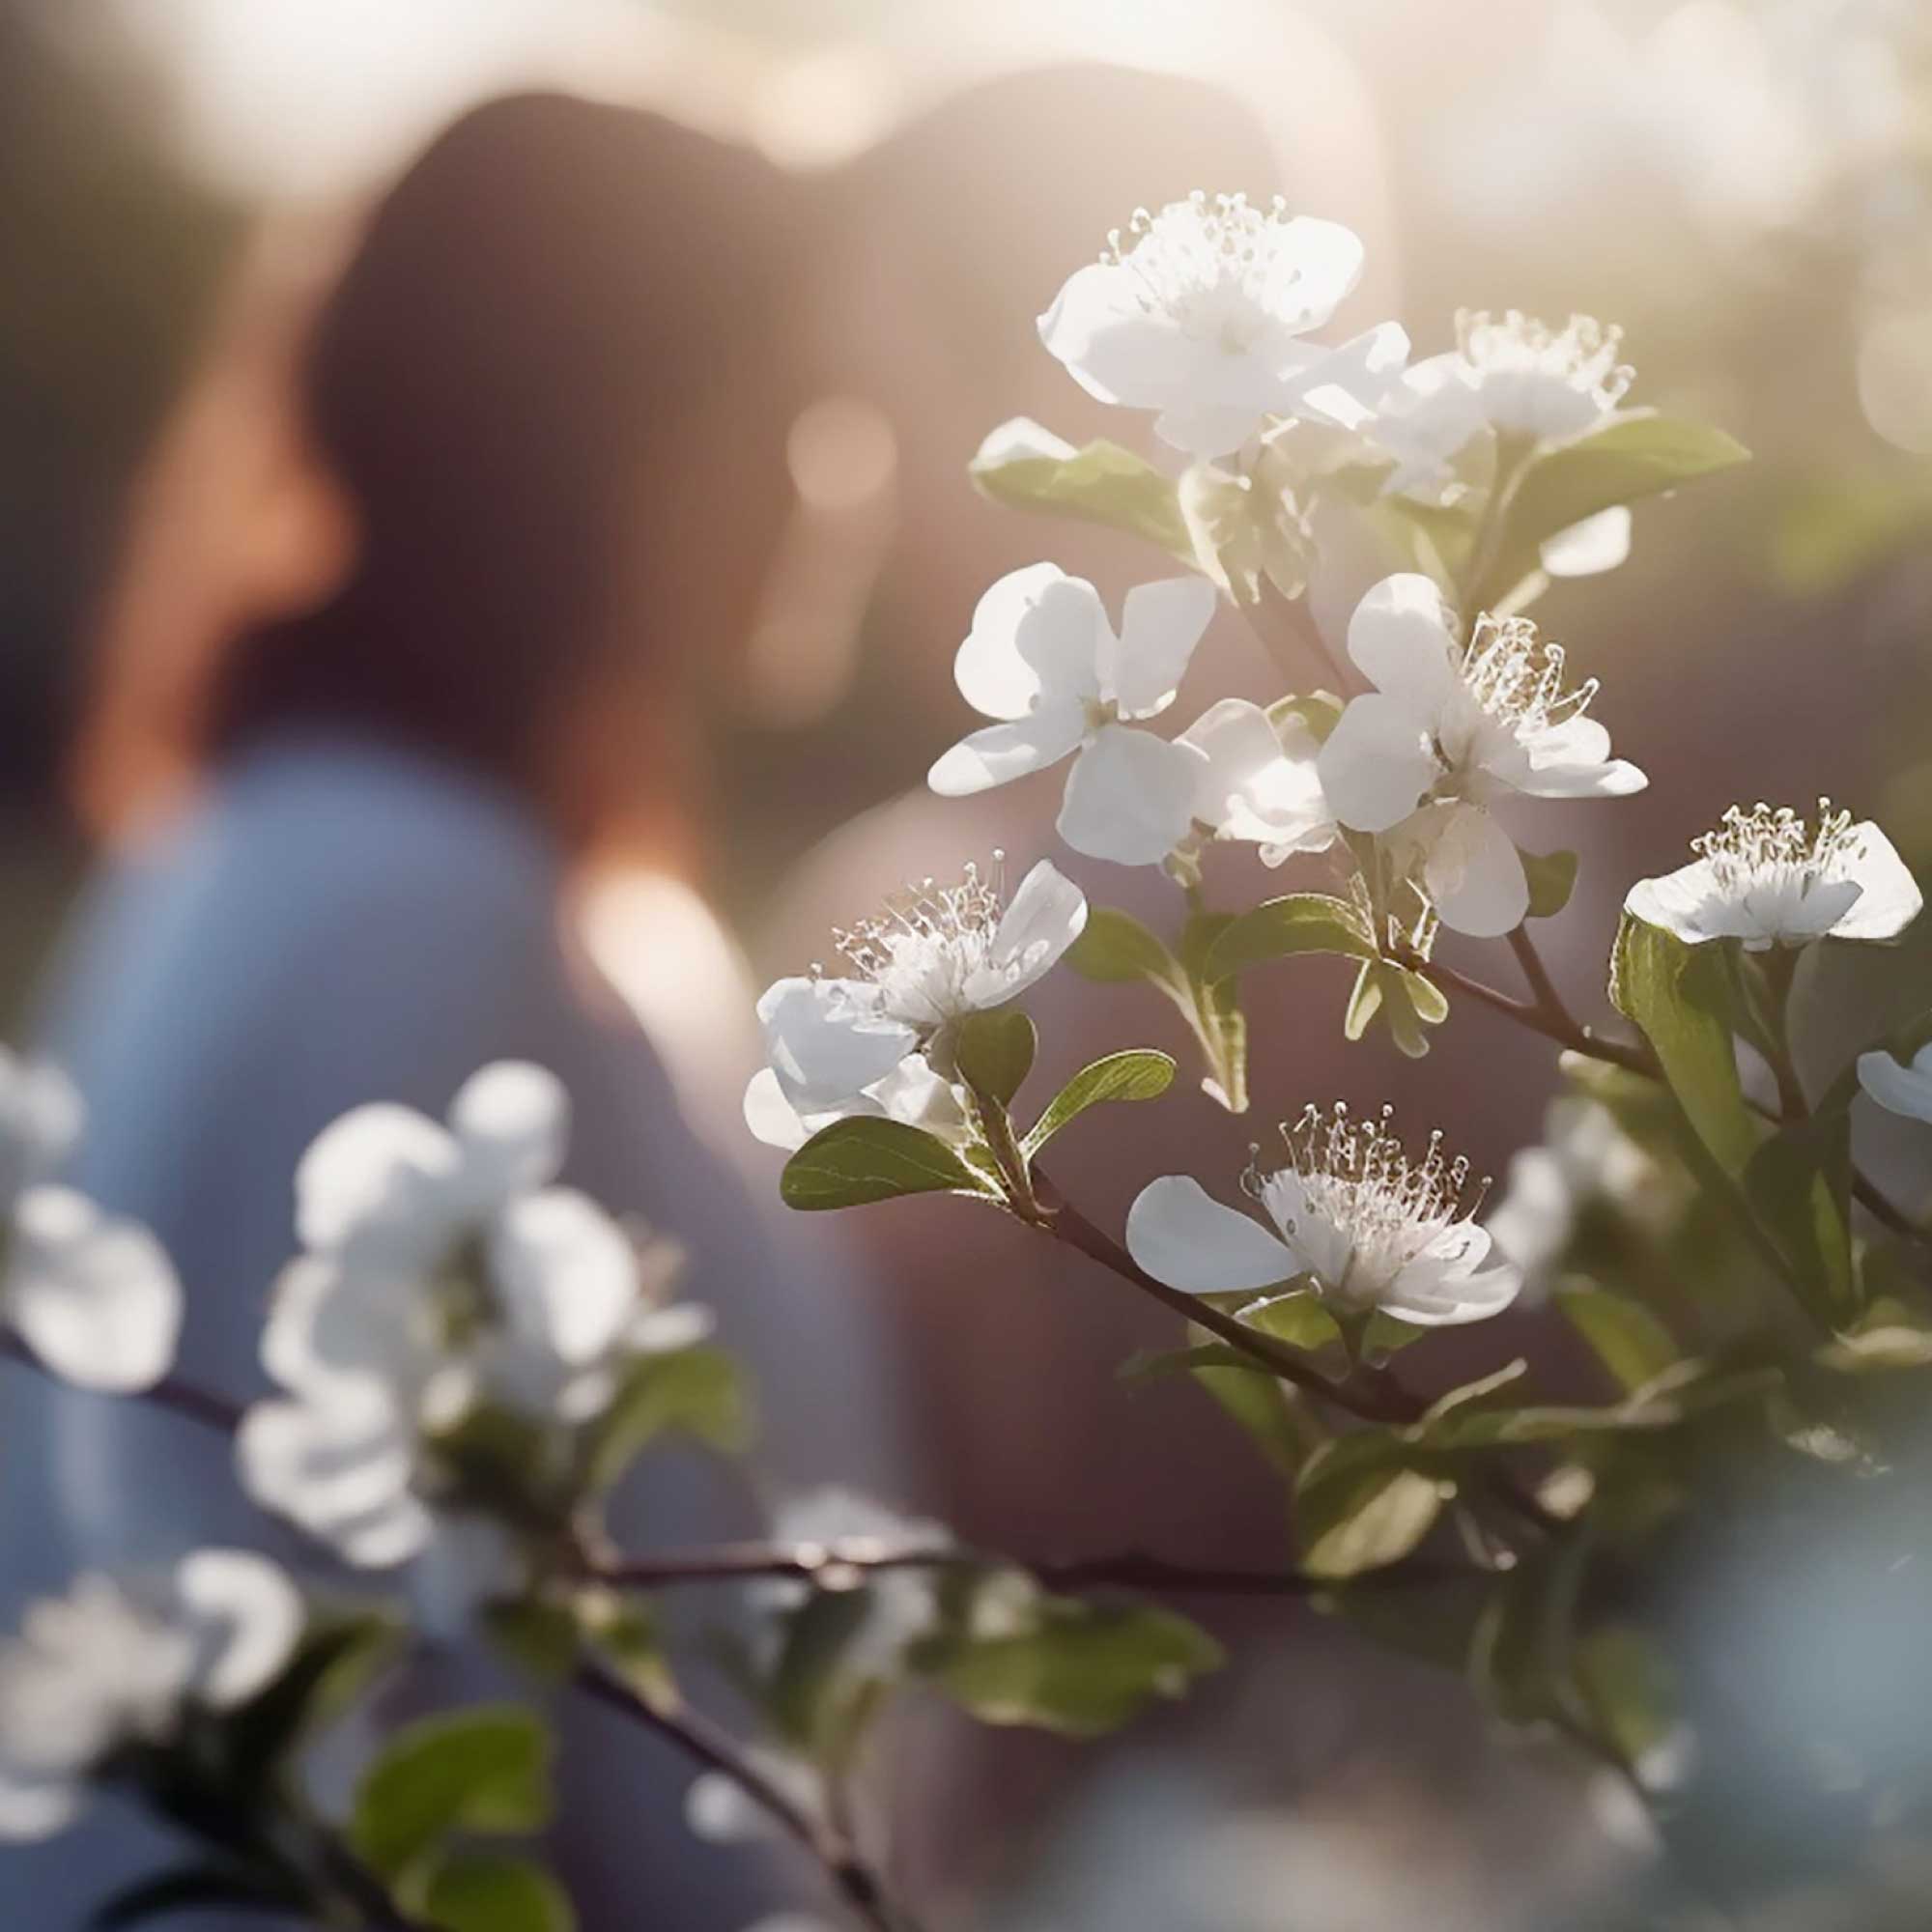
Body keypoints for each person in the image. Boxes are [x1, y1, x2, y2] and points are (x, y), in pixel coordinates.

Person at [5, 91, 903, 1927]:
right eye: (798, 403)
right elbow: (435, 1638)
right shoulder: (396, 908)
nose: (845, 479)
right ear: (603, 430)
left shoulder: (379, 861)